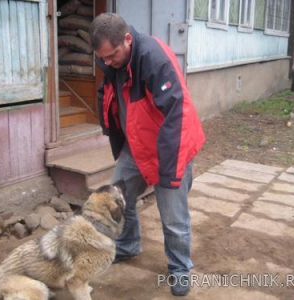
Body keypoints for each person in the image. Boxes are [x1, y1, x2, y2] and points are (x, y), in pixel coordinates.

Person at [89, 13, 205, 296]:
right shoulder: (111, 60)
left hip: (169, 146)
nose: (107, 62)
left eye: (112, 55)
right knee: (118, 199)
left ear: (127, 39)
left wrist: (170, 172)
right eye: (101, 58)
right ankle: (128, 246)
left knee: (173, 218)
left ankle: (179, 269)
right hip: (137, 146)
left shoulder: (154, 59)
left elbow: (177, 117)